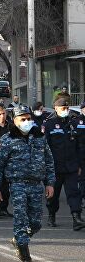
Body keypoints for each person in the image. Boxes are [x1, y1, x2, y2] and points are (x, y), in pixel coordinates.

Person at [0, 105, 55, 262]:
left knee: (36, 223)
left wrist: (50, 183)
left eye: (28, 119)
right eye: (22, 119)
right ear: (15, 120)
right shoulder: (7, 140)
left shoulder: (39, 138)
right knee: (20, 220)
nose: (26, 122)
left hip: (36, 184)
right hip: (17, 184)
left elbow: (49, 161)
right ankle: (26, 257)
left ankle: (18, 239)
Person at [42, 98, 85, 230]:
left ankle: (76, 218)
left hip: (71, 166)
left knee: (74, 193)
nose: (65, 111)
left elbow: (78, 146)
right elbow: (44, 146)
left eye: (67, 108)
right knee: (53, 194)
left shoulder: (73, 123)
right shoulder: (49, 124)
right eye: (62, 109)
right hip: (55, 167)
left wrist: (79, 165)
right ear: (56, 109)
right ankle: (51, 214)